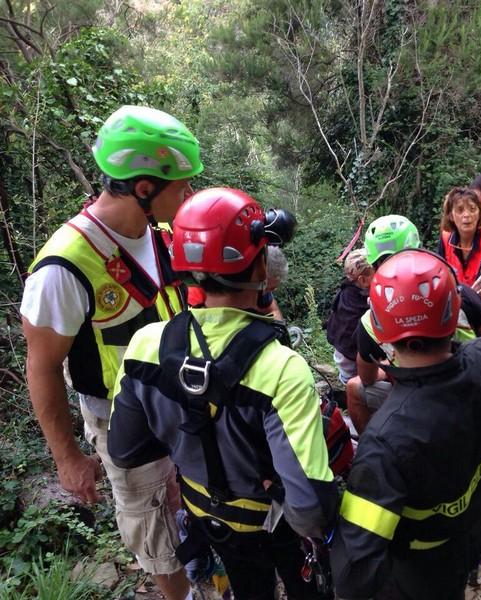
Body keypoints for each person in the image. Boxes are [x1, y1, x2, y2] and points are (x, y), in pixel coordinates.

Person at [107, 187, 338, 600]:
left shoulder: (146, 345)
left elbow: (125, 450)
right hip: (276, 522)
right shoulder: (282, 369)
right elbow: (308, 508)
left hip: (209, 520)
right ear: (261, 265)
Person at [21, 105, 203, 599]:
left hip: (184, 403)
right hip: (123, 420)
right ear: (143, 188)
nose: (188, 196)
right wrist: (67, 457)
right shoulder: (64, 265)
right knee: (155, 528)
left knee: (192, 505)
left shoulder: (162, 237)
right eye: (181, 186)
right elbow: (41, 366)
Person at [330, 249, 481, 600]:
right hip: (478, 523)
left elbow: (352, 575)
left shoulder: (385, 441)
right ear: (455, 310)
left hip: (421, 567)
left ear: (378, 326)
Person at [346, 215, 481, 434]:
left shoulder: (371, 320)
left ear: (375, 266)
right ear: (419, 252)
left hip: (416, 403)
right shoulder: (457, 294)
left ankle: (370, 443)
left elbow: (366, 378)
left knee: (354, 387)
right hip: (473, 391)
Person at [436, 186, 481, 289]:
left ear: (479, 213)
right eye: (460, 210)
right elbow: (438, 276)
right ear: (451, 216)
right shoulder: (445, 238)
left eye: (472, 209)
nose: (467, 215)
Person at [326, 249, 374, 385]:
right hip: (350, 360)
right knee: (356, 383)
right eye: (376, 270)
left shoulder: (348, 291)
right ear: (363, 280)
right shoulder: (358, 302)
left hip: (342, 353)